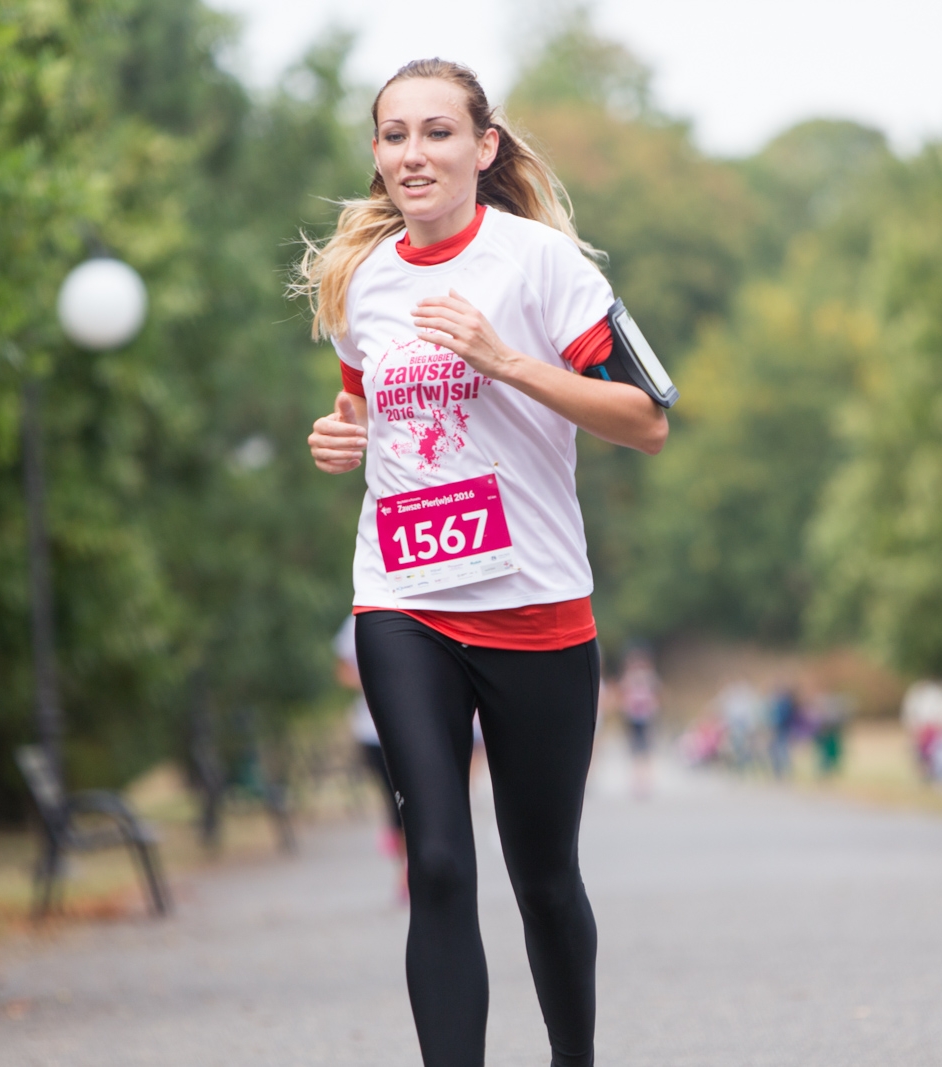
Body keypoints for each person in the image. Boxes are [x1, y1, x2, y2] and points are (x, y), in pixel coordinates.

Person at [300, 59, 668, 1067]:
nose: (412, 154)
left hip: (536, 606)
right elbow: (365, 413)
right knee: (438, 860)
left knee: (543, 874)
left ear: (483, 146)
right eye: (393, 136)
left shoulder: (542, 265)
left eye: (436, 132)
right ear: (374, 154)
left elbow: (645, 420)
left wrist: (506, 359)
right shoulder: (358, 282)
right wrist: (342, 438)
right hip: (402, 602)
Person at [334, 614, 407, 900]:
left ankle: (418, 868)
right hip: (371, 729)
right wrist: (377, 680)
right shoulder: (355, 622)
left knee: (415, 795)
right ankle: (404, 871)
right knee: (393, 799)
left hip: (412, 725)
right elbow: (342, 671)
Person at [618, 646, 662, 798]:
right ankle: (637, 781)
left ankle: (646, 781)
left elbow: (657, 697)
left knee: (646, 749)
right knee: (635, 750)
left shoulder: (650, 678)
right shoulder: (629, 678)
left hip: (646, 718)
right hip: (632, 718)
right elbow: (623, 696)